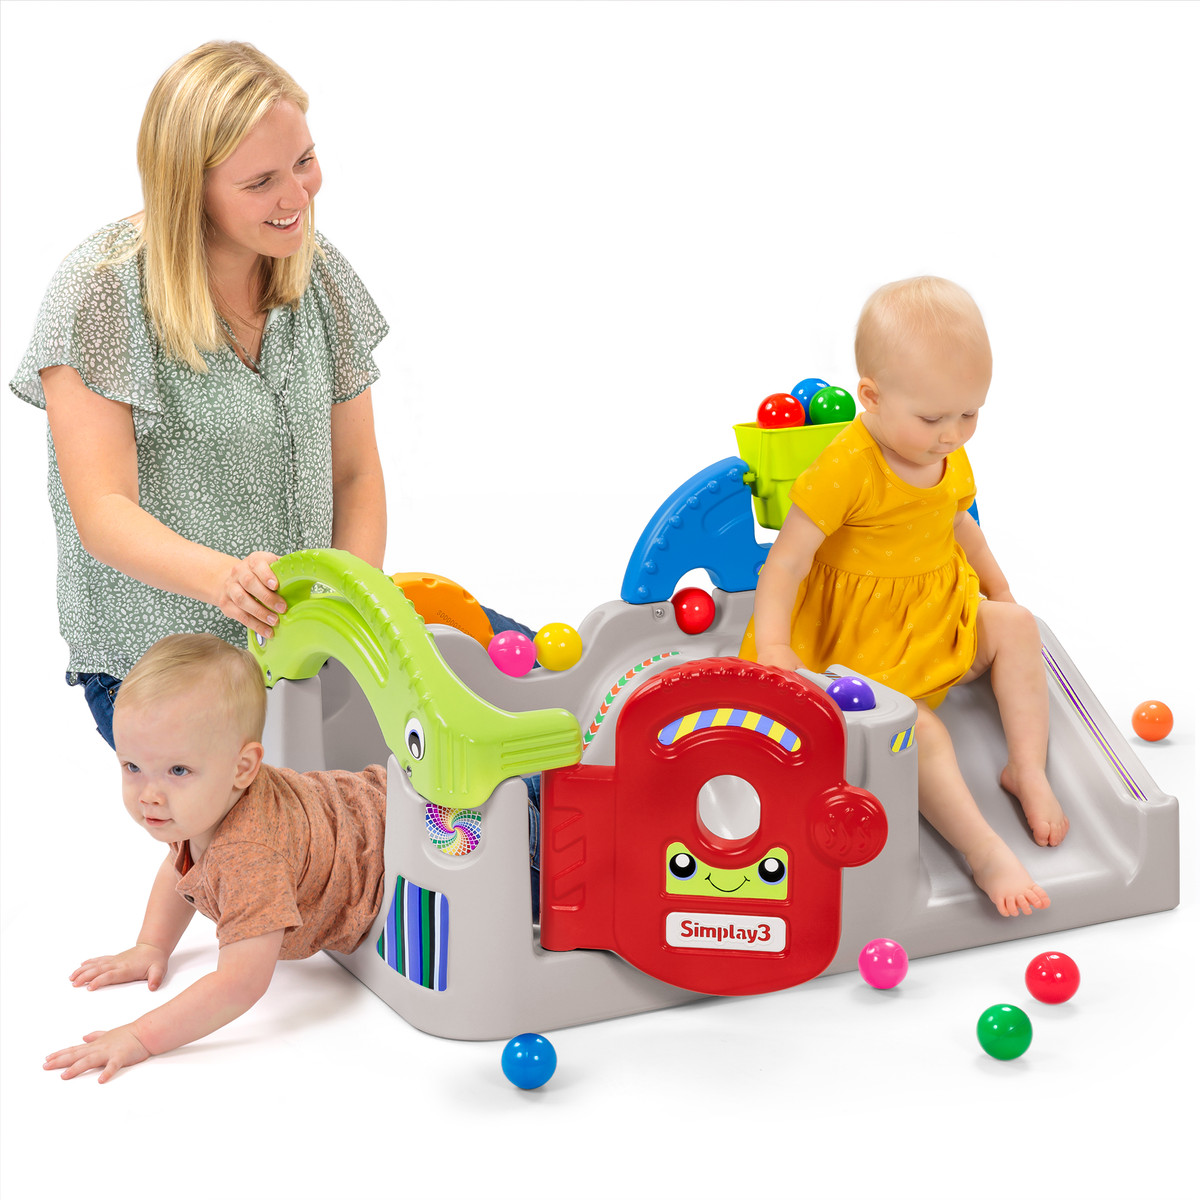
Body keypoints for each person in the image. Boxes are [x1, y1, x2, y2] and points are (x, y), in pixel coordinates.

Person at [9, 41, 531, 748]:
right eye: (260, 182)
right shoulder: (101, 290)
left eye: (304, 161)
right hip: (167, 669)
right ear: (186, 188)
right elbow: (103, 512)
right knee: (352, 824)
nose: (296, 196)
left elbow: (355, 473)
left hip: (309, 645)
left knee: (519, 702)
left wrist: (346, 609)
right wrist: (230, 583)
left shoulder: (313, 272)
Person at [742, 277, 1068, 919]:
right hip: (853, 647)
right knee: (923, 735)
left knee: (1019, 625)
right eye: (932, 418)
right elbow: (786, 561)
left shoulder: (948, 455)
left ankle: (1026, 768)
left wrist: (998, 595)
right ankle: (983, 851)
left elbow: (959, 524)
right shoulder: (848, 466)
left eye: (970, 413)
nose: (952, 434)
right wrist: (775, 648)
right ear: (871, 396)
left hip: (929, 620)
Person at [44, 633, 390, 1083]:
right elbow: (180, 868)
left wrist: (140, 1037)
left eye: (178, 770)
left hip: (390, 836)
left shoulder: (249, 856)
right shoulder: (197, 805)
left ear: (243, 768)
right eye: (132, 767)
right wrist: (152, 945)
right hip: (349, 807)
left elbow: (240, 983)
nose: (149, 794)